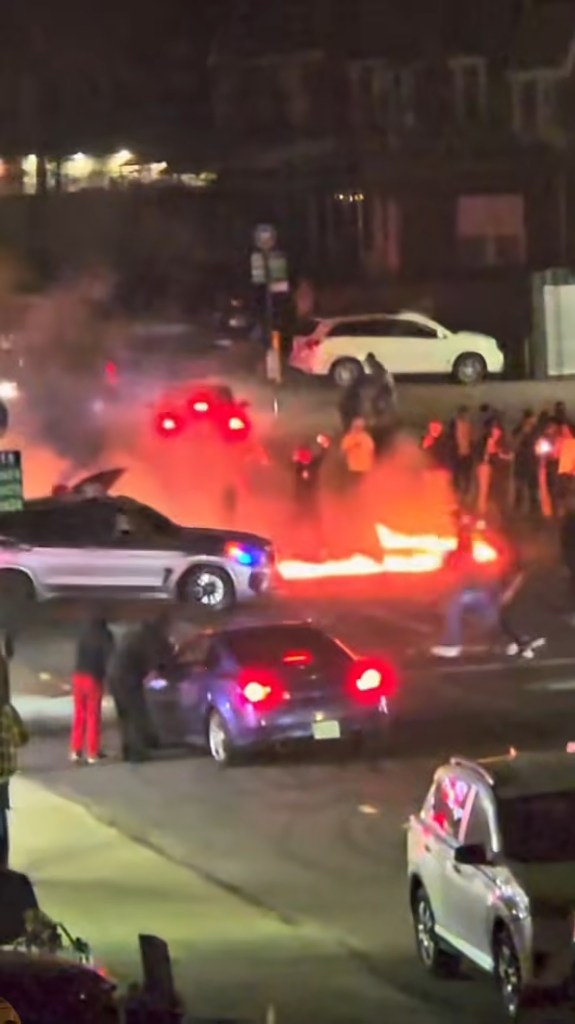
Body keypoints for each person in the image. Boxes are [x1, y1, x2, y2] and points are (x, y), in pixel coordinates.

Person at [107, 615, 175, 763]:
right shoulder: (149, 639)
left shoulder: (133, 635)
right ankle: (138, 753)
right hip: (127, 679)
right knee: (136, 714)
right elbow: (157, 664)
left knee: (124, 716)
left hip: (113, 676)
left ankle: (128, 749)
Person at [70, 613, 114, 764]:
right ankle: (92, 752)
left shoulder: (83, 635)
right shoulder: (105, 636)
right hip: (93, 678)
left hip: (78, 676)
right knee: (93, 715)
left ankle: (75, 750)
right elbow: (110, 658)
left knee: (79, 714)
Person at [0, 657, 28, 868]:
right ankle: (3, 864)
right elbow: (22, 738)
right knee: (1, 815)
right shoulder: (7, 711)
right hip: (3, 773)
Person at [512, 410, 539, 515]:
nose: (535, 420)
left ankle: (533, 510)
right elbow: (514, 442)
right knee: (520, 486)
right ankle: (517, 509)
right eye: (533, 418)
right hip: (521, 461)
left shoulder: (535, 431)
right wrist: (523, 432)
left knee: (532, 487)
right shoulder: (519, 429)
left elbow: (538, 443)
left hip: (532, 461)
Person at [448, 406, 473, 496]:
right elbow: (451, 437)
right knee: (456, 475)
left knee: (466, 476)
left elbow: (469, 438)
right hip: (457, 453)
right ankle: (456, 492)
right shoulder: (455, 423)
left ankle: (464, 493)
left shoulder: (468, 424)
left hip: (466, 453)